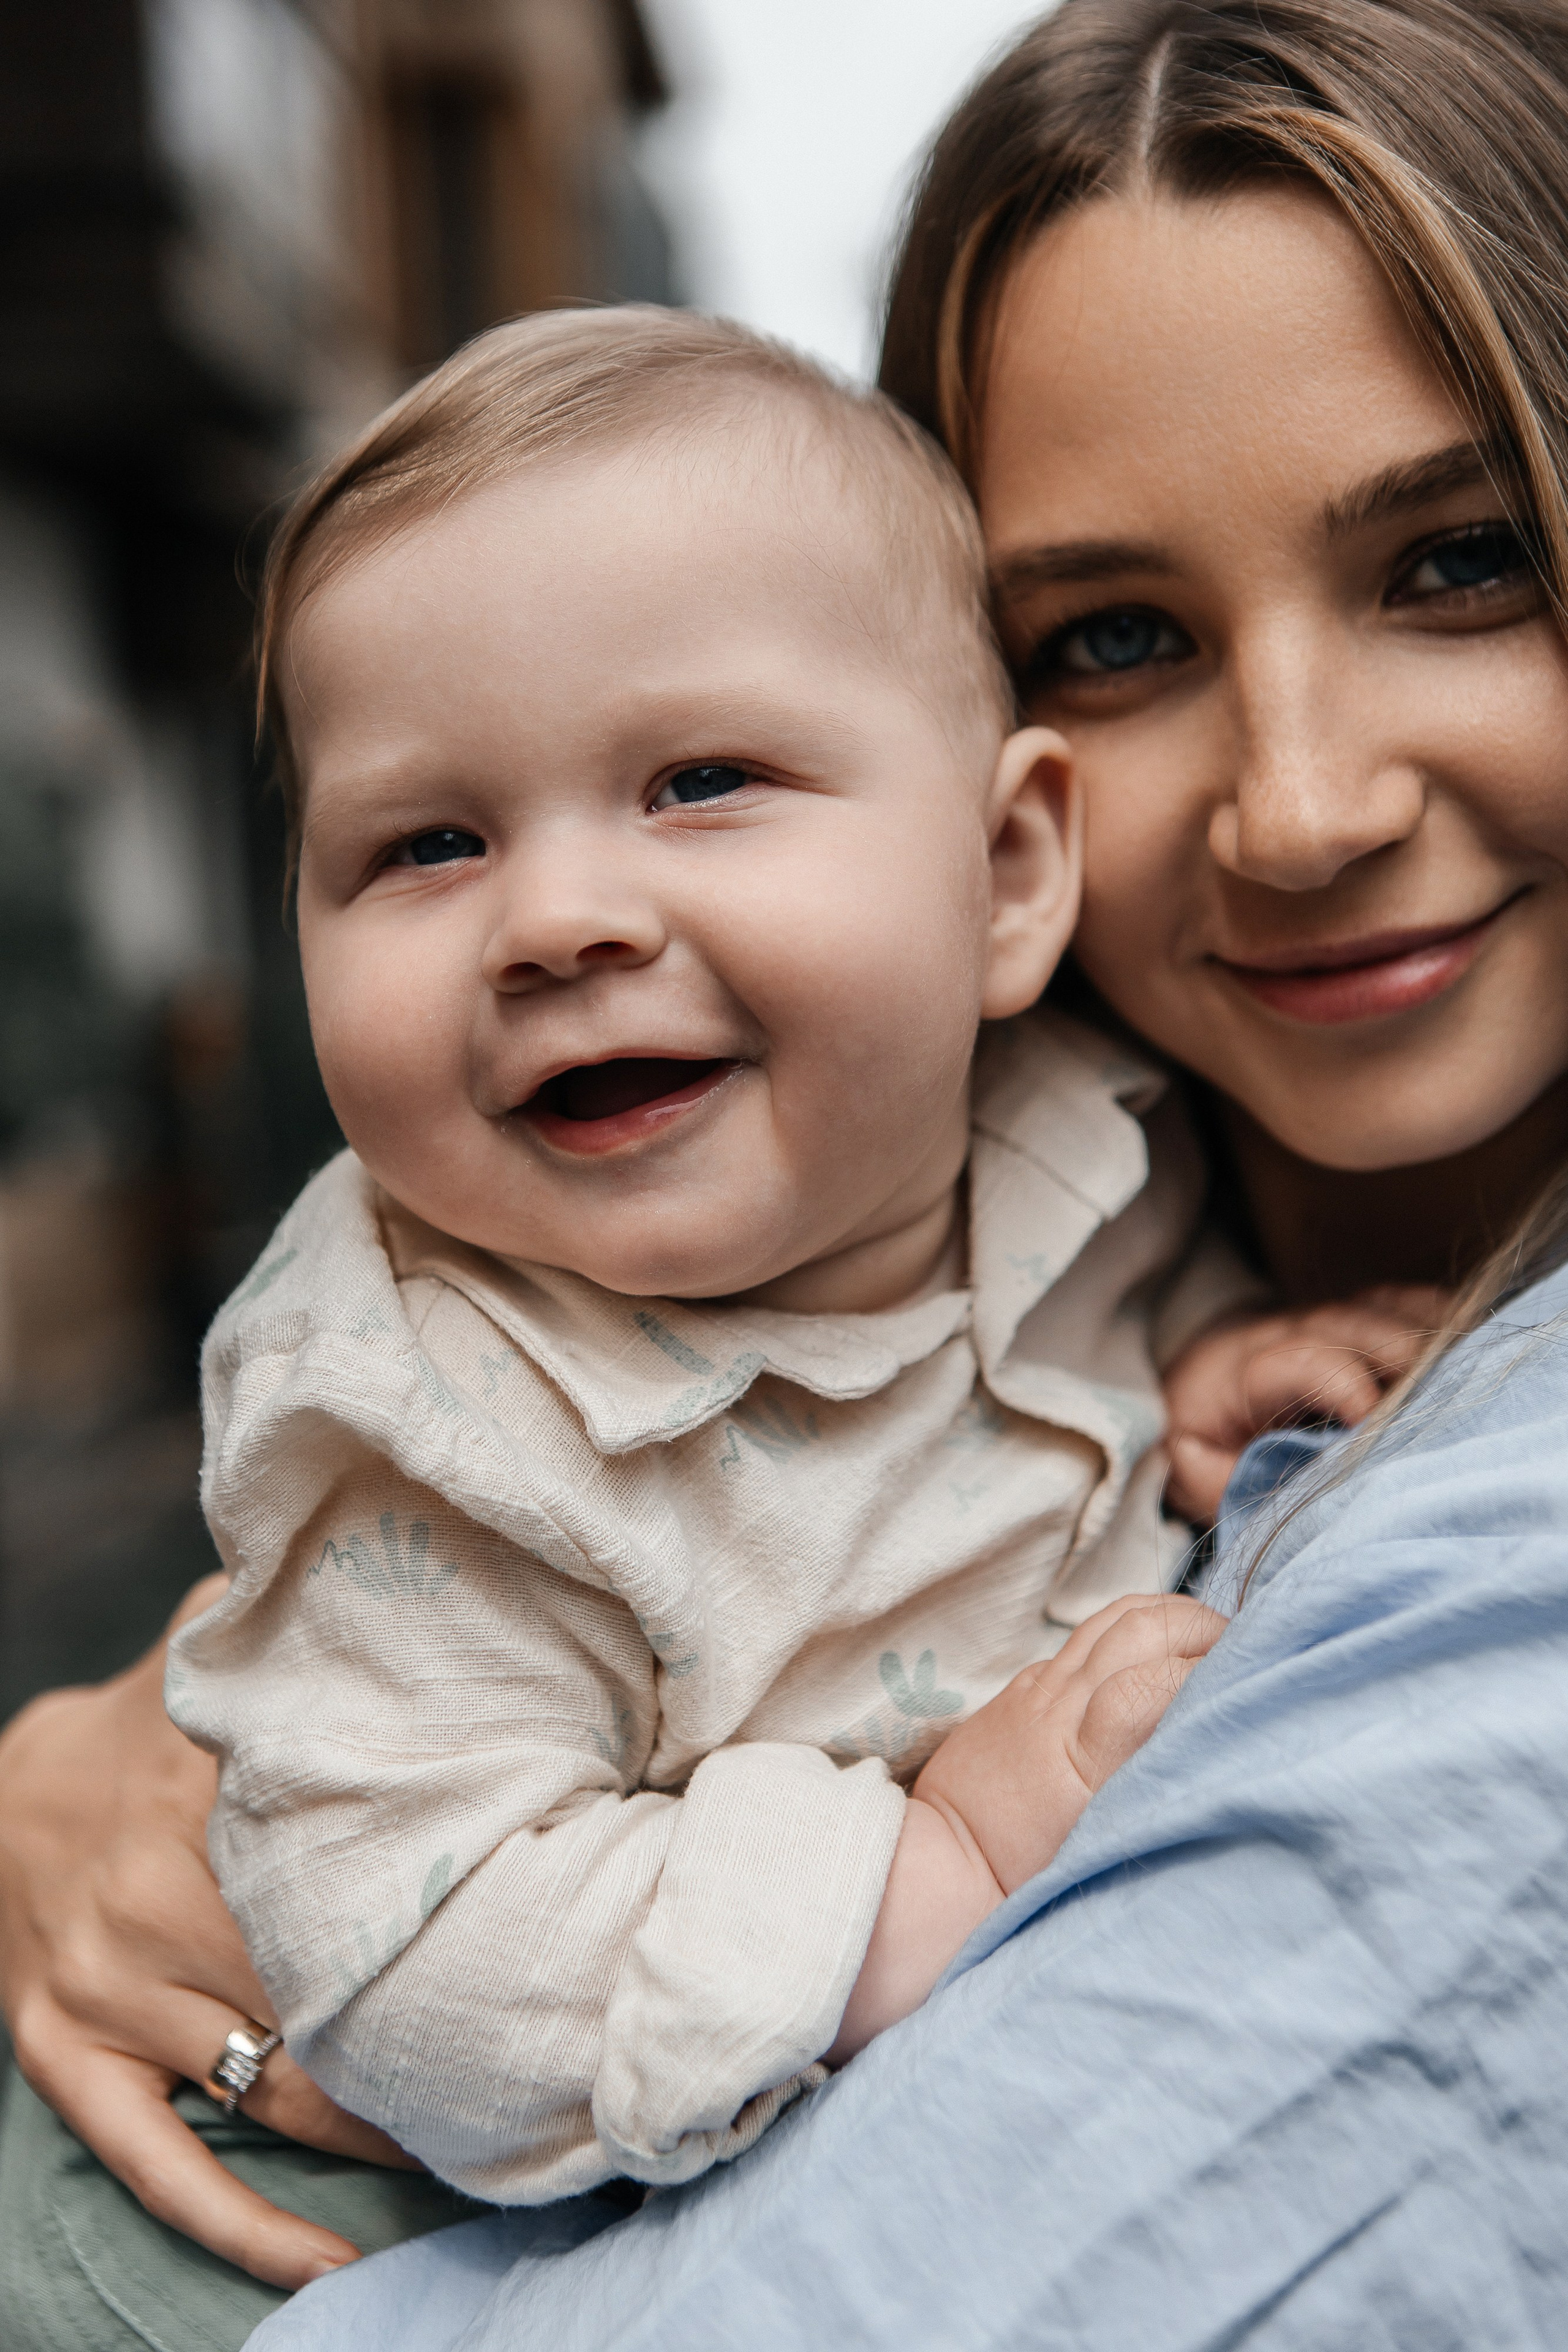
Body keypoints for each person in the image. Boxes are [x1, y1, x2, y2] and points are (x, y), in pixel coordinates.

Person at [6, 0, 1568, 2337]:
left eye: (1460, 562)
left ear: (997, 850)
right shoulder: (497, 1361)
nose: (1304, 807)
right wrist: (81, 1763)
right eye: (1114, 630)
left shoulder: (1128, 1205)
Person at [160, 300, 1373, 2208]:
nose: (557, 919)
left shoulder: (1092, 1132)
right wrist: (933, 1864)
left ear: (1008, 874)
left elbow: (1086, 1333)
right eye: (427, 844)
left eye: (701, 782)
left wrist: (1200, 1362)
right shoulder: (415, 1418)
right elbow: (413, 1970)